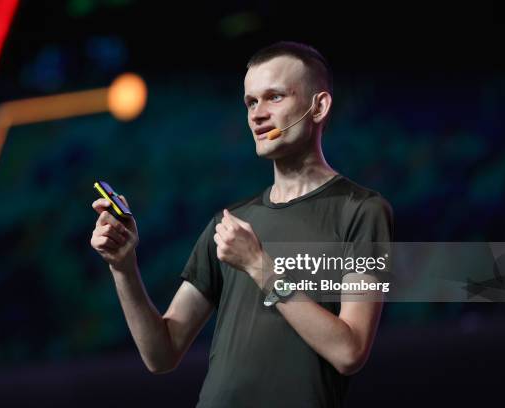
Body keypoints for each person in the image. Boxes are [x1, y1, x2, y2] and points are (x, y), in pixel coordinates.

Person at [90, 41, 393, 407]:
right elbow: (162, 353)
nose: (257, 115)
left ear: (319, 106)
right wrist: (123, 267)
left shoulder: (361, 210)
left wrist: (259, 266)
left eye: (274, 97)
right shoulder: (231, 224)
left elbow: (350, 351)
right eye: (251, 102)